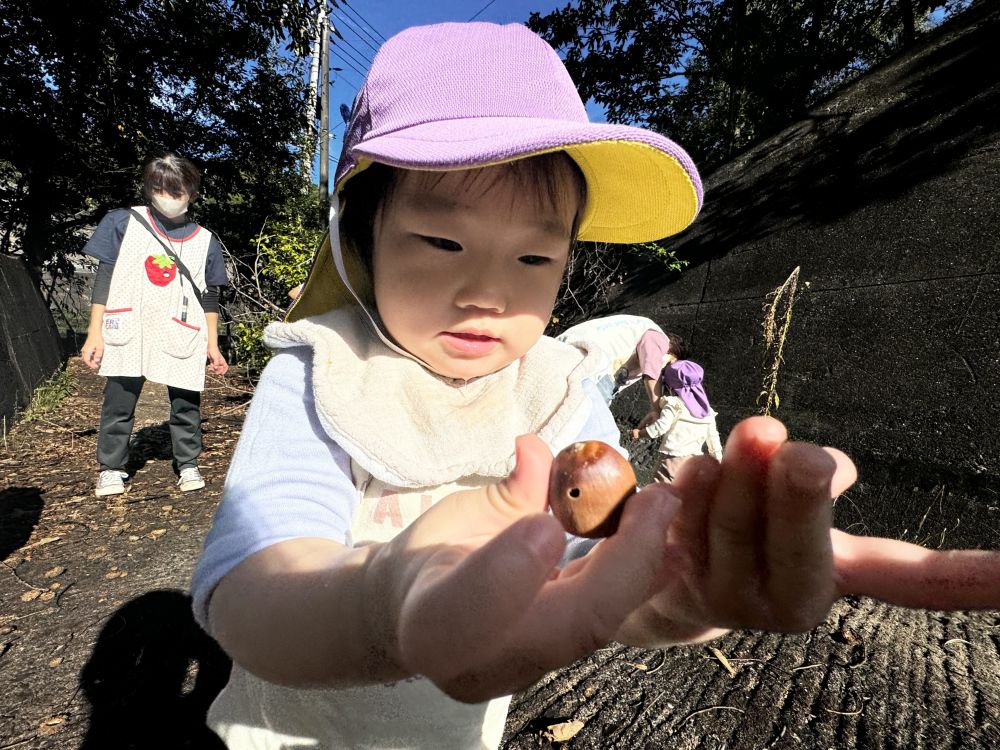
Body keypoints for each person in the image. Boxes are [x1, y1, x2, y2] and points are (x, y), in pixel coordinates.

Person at [190, 22, 1000, 750]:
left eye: (535, 258)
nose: (489, 293)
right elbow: (252, 586)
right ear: (361, 237)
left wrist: (682, 588)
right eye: (441, 240)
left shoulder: (555, 389)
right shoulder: (323, 371)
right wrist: (381, 609)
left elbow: (599, 565)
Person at [80, 153, 229, 497]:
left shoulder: (205, 241)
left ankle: (188, 463)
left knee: (186, 402)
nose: (168, 197)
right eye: (160, 189)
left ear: (192, 192)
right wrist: (94, 332)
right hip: (129, 324)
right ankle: (112, 468)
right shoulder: (122, 222)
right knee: (119, 400)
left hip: (182, 330)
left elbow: (210, 296)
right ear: (149, 189)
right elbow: (105, 278)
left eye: (176, 191)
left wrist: (212, 343)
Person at [556, 314, 671, 418]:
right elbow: (651, 371)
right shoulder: (660, 338)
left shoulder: (640, 326)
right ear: (672, 352)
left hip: (564, 348)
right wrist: (657, 410)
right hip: (592, 364)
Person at [630, 354, 723, 482]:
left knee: (658, 492)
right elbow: (713, 439)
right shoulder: (707, 413)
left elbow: (661, 427)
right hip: (694, 463)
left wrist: (641, 433)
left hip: (672, 461)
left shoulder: (675, 405)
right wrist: (718, 460)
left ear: (670, 387)